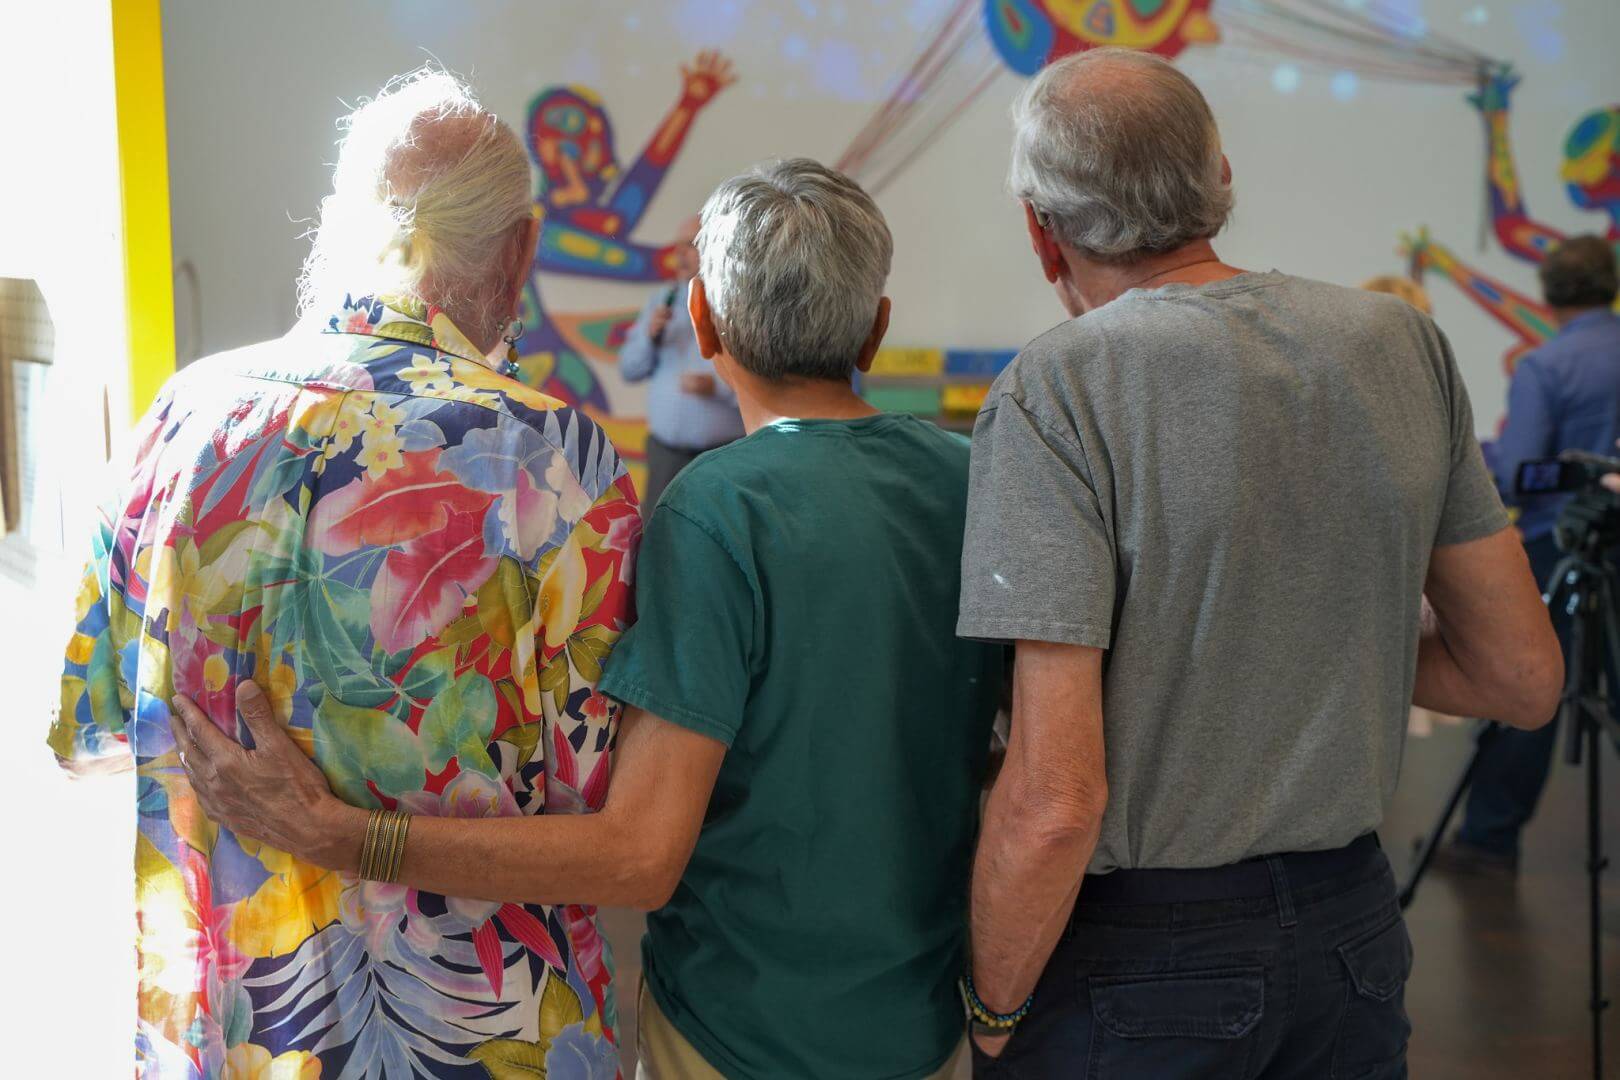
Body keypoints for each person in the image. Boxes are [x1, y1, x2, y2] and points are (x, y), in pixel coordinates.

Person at [169, 158, 1002, 1080]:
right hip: (925, 1019)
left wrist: (343, 834)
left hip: (745, 1034)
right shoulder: (967, 484)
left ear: (703, 321)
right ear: (879, 328)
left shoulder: (717, 508)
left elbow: (637, 855)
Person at [953, 48, 1562, 1076]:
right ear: (1220, 178)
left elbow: (1056, 796)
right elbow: (1523, 675)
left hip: (1143, 961)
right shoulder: (1399, 342)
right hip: (1354, 935)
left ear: (1039, 229)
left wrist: (993, 1005)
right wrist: (1316, 633)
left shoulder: (1055, 388)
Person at [50, 70, 640, 1077]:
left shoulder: (180, 420)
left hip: (237, 1033)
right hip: (481, 1044)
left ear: (335, 226)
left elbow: (91, 739)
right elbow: (601, 805)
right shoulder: (550, 460)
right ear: (519, 253)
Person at [1444, 235, 1620, 873]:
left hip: (1564, 552)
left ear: (1548, 294)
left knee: (1533, 691)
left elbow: (1520, 475)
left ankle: (1489, 839)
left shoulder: (1549, 366)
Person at [618, 214, 744, 506]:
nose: (681, 254)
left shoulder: (739, 306)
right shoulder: (663, 300)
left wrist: (716, 388)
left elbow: (764, 382)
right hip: (665, 455)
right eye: (678, 247)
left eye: (691, 245)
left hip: (720, 456)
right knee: (658, 540)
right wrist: (650, 335)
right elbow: (629, 370)